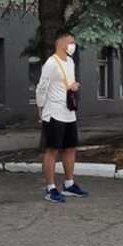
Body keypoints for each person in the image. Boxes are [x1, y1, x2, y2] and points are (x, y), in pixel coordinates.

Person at [35, 31, 89, 204]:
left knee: (70, 148)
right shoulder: (50, 63)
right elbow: (41, 88)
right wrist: (40, 111)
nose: (73, 45)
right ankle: (51, 188)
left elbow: (66, 84)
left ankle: (69, 184)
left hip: (69, 113)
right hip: (53, 113)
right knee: (51, 150)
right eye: (71, 41)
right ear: (61, 43)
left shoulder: (70, 62)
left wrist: (73, 86)